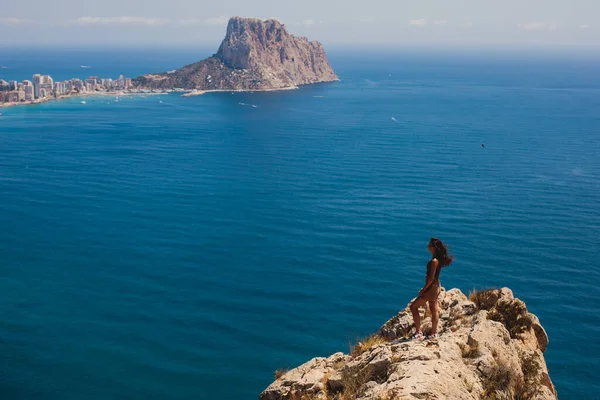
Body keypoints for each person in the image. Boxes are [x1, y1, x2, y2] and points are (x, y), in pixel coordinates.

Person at [409, 237, 454, 340]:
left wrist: (423, 290)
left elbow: (430, 278)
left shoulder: (434, 261)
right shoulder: (438, 259)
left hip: (432, 287)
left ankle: (418, 332)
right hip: (437, 285)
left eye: (429, 245)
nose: (427, 246)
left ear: (433, 248)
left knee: (413, 307)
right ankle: (433, 333)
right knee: (434, 309)